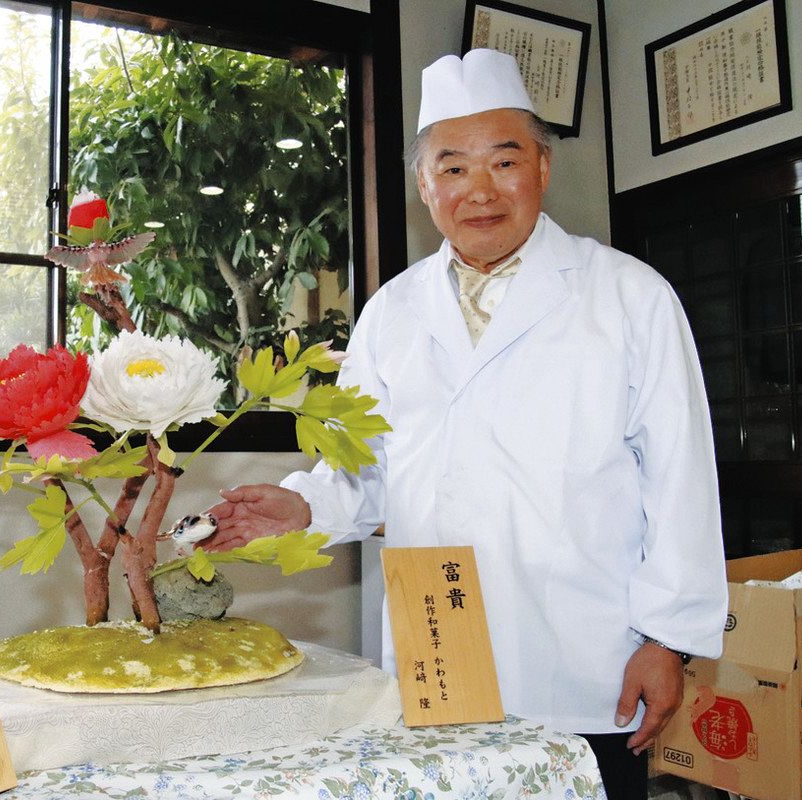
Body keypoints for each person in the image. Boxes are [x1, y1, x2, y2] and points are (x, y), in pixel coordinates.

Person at [205, 49, 727, 800]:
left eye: (503, 161)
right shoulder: (392, 312)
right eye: (452, 168)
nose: (478, 191)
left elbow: (681, 479)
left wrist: (669, 640)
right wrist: (303, 507)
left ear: (542, 168)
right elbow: (367, 471)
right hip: (437, 653)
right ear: (424, 186)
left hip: (586, 659)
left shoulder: (629, 297)